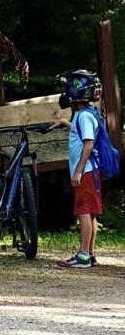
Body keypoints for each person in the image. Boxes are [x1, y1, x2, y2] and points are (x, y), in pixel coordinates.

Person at [53, 70, 102, 268]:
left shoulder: (84, 117)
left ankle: (83, 256)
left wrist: (79, 171)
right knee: (90, 213)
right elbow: (81, 133)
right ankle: (89, 253)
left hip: (86, 172)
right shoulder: (86, 114)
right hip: (90, 171)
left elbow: (88, 144)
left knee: (84, 211)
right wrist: (65, 123)